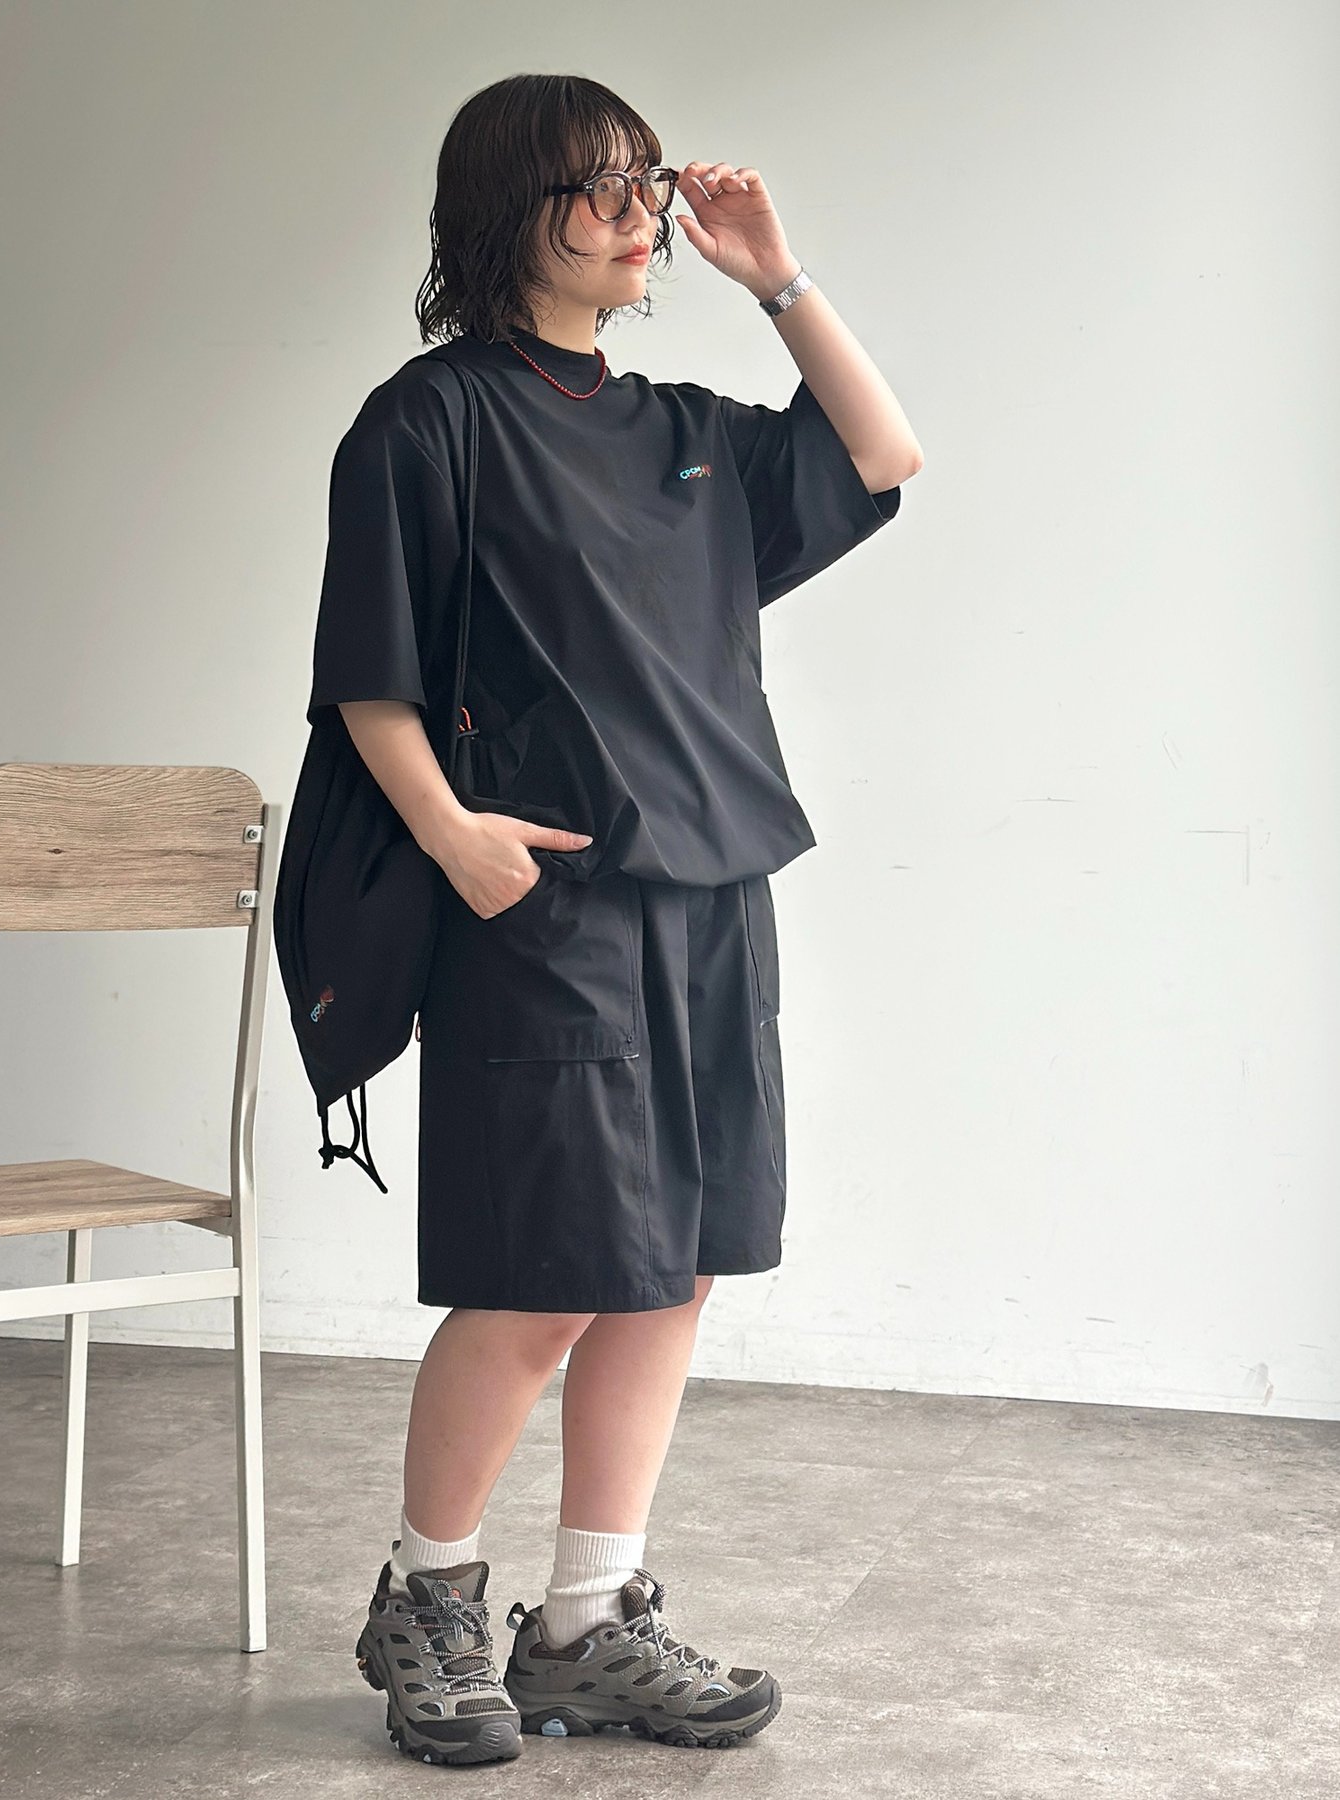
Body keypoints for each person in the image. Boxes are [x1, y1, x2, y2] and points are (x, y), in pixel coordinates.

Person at [315, 74, 922, 1767]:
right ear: (511, 208)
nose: (638, 213)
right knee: (544, 1284)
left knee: (676, 1271)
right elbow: (366, 672)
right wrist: (453, 838)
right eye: (600, 186)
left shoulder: (687, 430)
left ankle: (586, 1622)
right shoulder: (427, 422)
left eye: (645, 181)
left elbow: (883, 455)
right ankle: (428, 1598)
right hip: (548, 910)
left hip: (716, 897)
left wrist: (776, 278)